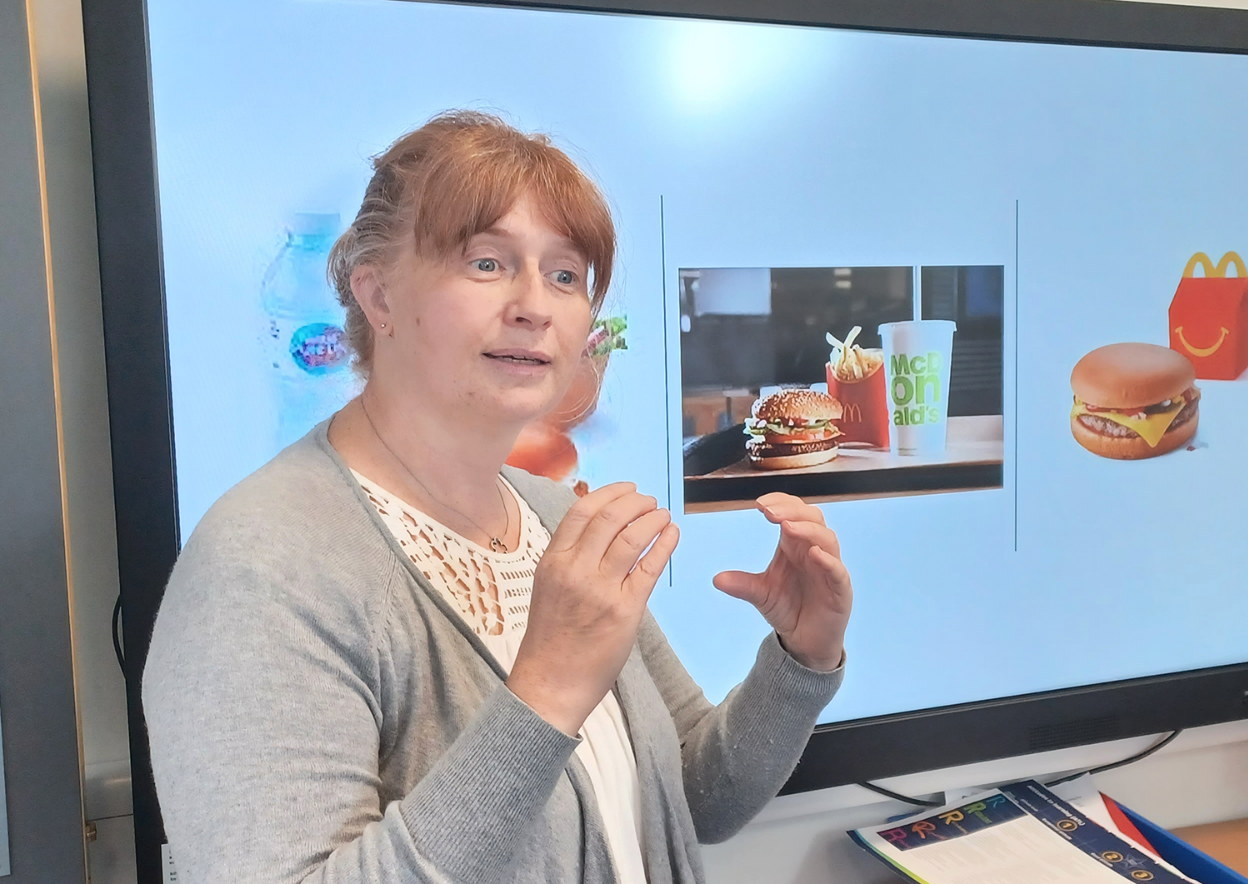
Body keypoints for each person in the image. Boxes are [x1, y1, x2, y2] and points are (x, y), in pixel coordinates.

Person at [142, 110, 853, 883]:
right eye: (486, 263)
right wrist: (546, 691)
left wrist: (800, 660)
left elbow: (694, 797)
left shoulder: (553, 517)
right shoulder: (261, 569)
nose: (535, 306)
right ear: (377, 297)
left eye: (565, 275)